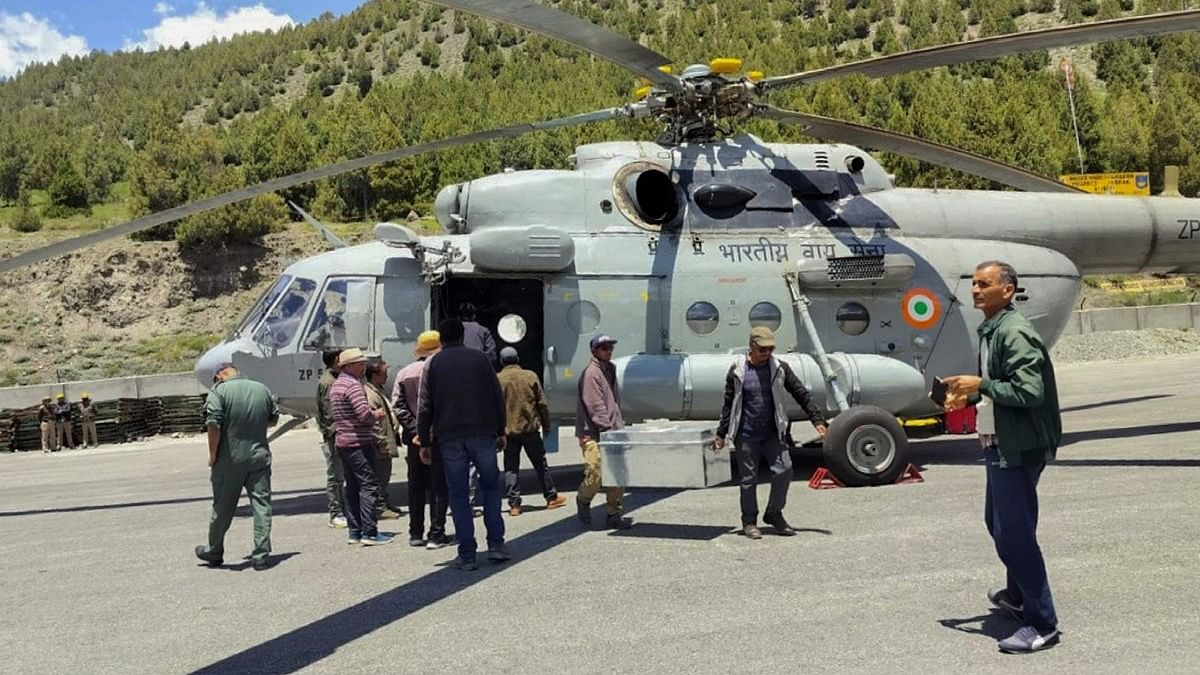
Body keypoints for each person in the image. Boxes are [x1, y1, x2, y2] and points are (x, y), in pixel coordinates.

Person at [943, 260, 1062, 654]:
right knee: (998, 525)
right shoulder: (993, 329)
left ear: (1007, 290)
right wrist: (971, 393)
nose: (975, 290)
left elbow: (1029, 392)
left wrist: (983, 384)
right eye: (973, 284)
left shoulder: (1014, 332)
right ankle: (1017, 595)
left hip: (1018, 445)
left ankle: (1042, 623)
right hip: (999, 441)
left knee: (1015, 535)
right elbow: (1001, 386)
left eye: (985, 284)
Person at [715, 327, 828, 540]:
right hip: (746, 434)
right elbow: (728, 404)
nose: (767, 353)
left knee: (784, 470)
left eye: (770, 348)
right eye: (762, 349)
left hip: (772, 433)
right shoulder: (737, 371)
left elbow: (801, 393)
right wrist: (721, 434)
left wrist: (817, 420)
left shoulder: (780, 368)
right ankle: (749, 522)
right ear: (752, 347)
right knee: (749, 479)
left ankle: (774, 513)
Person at [417, 318, 509, 571]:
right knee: (491, 488)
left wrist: (424, 440)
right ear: (461, 335)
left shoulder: (433, 364)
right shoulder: (480, 359)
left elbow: (424, 406)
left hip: (449, 437)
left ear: (441, 339)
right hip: (482, 433)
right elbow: (496, 396)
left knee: (458, 494)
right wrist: (501, 429)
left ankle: (467, 554)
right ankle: (496, 546)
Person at [194, 364, 278, 571]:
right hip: (258, 456)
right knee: (261, 505)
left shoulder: (219, 391)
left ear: (220, 375)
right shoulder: (261, 389)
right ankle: (261, 554)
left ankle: (214, 551)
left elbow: (213, 423)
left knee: (223, 506)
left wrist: (212, 454)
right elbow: (272, 419)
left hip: (229, 459)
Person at [393, 330, 452, 549]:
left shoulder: (405, 373)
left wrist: (415, 430)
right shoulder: (442, 371)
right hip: (438, 436)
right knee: (439, 486)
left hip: (413, 439)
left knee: (416, 486)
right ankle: (437, 532)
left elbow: (398, 405)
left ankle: (415, 532)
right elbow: (444, 404)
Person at [329, 348, 393, 547]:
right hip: (359, 442)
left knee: (352, 487)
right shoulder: (354, 386)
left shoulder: (337, 385)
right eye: (360, 363)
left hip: (343, 441)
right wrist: (378, 414)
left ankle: (354, 530)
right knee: (368, 486)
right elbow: (363, 415)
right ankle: (370, 531)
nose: (363, 366)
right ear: (349, 366)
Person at [497, 346, 566, 516]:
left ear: (501, 361)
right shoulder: (530, 376)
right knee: (540, 465)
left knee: (511, 468)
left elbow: (494, 407)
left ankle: (514, 505)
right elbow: (541, 404)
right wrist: (547, 424)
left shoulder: (497, 379)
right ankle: (551, 498)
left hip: (509, 432)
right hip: (530, 430)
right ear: (518, 359)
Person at [575, 335, 632, 530]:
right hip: (594, 433)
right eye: (603, 348)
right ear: (594, 351)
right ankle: (583, 498)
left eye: (609, 347)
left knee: (617, 474)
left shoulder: (609, 370)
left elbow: (612, 401)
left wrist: (617, 426)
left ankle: (614, 513)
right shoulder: (592, 373)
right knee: (596, 472)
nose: (608, 351)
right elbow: (595, 405)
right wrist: (607, 430)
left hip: (612, 430)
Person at [364, 357, 402, 521]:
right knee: (379, 476)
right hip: (380, 443)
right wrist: (381, 442)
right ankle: (379, 508)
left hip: (386, 439)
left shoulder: (377, 390)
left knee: (384, 475)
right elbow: (374, 424)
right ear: (375, 375)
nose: (386, 377)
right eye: (384, 374)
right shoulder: (371, 394)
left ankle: (384, 503)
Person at [316, 350, 347, 529]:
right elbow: (330, 414)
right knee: (335, 476)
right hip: (335, 436)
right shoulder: (329, 383)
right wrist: (338, 435)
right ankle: (336, 513)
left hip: (337, 434)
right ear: (336, 360)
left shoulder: (334, 379)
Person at [459, 302, 498, 370]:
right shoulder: (483, 330)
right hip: (478, 368)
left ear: (458, 316)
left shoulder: (453, 330)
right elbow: (492, 354)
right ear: (474, 316)